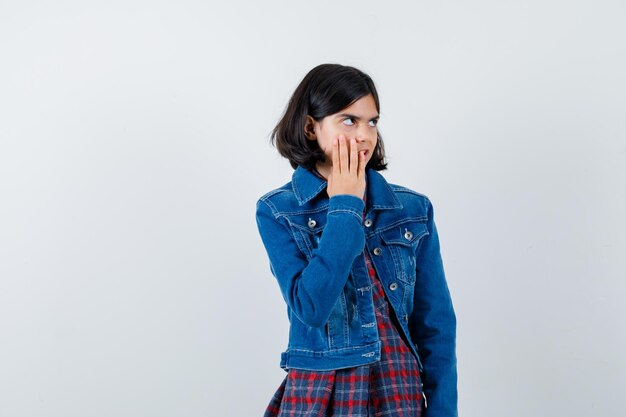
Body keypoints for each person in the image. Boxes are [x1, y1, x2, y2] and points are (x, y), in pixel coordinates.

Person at [255, 63, 457, 417]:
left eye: (372, 121)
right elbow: (312, 308)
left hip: (397, 388)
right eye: (349, 120)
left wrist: (443, 410)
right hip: (321, 390)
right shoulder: (279, 211)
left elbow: (435, 323)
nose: (364, 134)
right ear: (310, 126)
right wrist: (345, 206)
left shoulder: (411, 209)